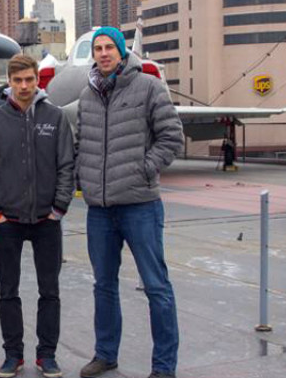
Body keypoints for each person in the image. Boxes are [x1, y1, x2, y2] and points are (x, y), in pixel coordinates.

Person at [75, 27, 184, 378]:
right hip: (100, 211)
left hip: (140, 205)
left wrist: (144, 169)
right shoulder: (87, 96)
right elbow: (81, 145)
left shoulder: (149, 87)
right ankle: (105, 354)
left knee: (156, 286)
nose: (104, 53)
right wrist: (84, 178)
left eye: (110, 47)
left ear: (122, 52)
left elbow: (172, 137)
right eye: (98, 48)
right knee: (103, 285)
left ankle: (164, 367)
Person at [0, 54, 75, 378]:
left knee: (50, 291)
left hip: (47, 220)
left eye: (29, 80)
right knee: (8, 290)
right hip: (8, 221)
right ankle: (12, 354)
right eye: (17, 80)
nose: (24, 86)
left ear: (37, 80)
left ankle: (47, 355)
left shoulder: (55, 118)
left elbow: (66, 165)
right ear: (9, 81)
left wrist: (59, 208)